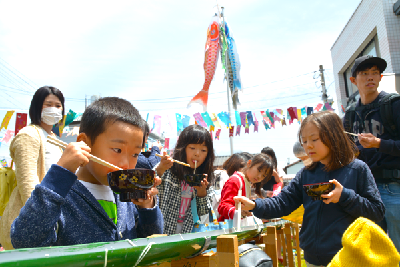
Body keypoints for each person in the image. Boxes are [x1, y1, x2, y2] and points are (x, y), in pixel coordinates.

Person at [234, 111, 385, 267]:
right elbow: (282, 203)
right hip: (312, 259)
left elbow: (377, 211)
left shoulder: (357, 169)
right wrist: (255, 205)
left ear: (334, 136)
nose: (308, 146)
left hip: (347, 258)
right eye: (304, 141)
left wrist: (345, 196)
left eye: (314, 139)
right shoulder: (306, 175)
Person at [10, 97, 163, 248]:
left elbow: (151, 240)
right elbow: (25, 240)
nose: (126, 164)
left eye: (135, 154)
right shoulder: (61, 195)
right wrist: (61, 172)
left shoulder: (123, 193)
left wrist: (147, 207)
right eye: (117, 150)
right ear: (84, 143)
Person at [344, 55, 400, 252]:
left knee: (397, 248)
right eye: (365, 73)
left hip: (393, 186)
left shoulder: (393, 104)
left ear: (380, 77)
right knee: (374, 252)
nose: (370, 78)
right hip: (364, 191)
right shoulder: (351, 113)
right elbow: (347, 150)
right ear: (353, 81)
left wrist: (378, 143)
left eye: (375, 73)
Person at [0, 86, 65, 250]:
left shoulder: (54, 139)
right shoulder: (28, 135)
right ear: (36, 107)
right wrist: (40, 221)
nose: (54, 109)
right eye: (48, 104)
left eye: (58, 105)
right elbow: (28, 183)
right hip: (32, 221)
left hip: (52, 215)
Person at [155, 125, 214, 235]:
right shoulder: (169, 170)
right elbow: (148, 187)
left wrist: (202, 193)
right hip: (163, 231)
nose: (197, 153)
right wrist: (160, 169)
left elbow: (203, 212)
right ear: (182, 148)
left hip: (189, 232)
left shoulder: (205, 177)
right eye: (192, 148)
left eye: (203, 150)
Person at [218, 153, 273, 222]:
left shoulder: (245, 182)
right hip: (230, 227)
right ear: (249, 163)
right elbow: (223, 206)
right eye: (259, 171)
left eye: (263, 176)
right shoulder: (235, 180)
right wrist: (237, 212)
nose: (259, 176)